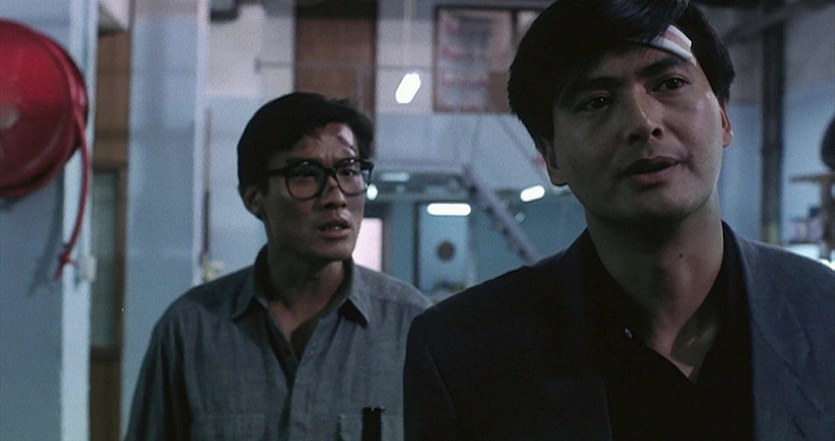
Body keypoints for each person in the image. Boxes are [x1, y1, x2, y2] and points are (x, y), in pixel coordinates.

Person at [403, 1, 835, 440]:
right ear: (551, 155)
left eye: (669, 83)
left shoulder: (824, 315)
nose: (642, 123)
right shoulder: (462, 353)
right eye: (596, 101)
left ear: (723, 116)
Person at [126, 92, 431, 441]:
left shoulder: (413, 327)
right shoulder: (190, 330)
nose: (335, 196)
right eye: (305, 174)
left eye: (349, 171)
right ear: (254, 198)